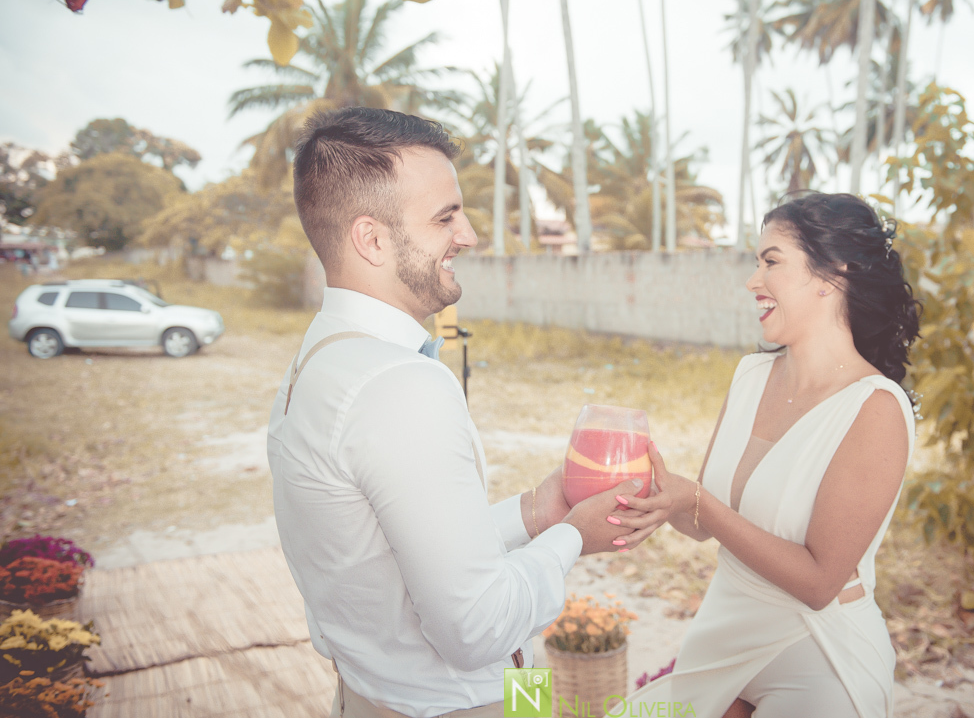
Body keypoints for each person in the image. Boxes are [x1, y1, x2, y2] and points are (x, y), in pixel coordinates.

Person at [266, 107, 671, 718]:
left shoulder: (319, 361)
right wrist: (571, 538)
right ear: (371, 239)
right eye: (445, 217)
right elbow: (476, 628)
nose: (470, 234)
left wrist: (535, 512)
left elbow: (398, 559)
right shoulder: (398, 386)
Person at [619, 191, 922, 718]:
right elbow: (699, 524)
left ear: (833, 275)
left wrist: (698, 503)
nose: (752, 280)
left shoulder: (875, 408)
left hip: (820, 651)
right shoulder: (750, 376)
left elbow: (819, 582)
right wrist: (656, 494)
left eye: (771, 261)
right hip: (726, 630)